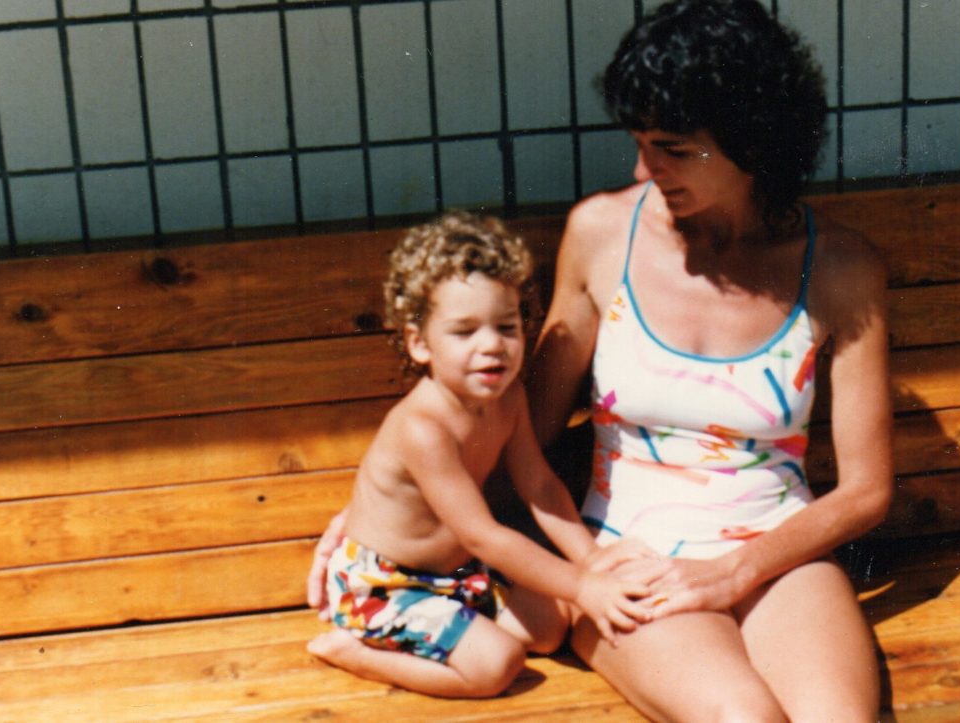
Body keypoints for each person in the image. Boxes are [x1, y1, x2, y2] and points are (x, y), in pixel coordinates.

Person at [311, 0, 893, 717]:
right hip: (623, 556)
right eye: (641, 141)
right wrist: (376, 527)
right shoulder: (602, 234)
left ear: (753, 140)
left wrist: (731, 572)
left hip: (777, 554)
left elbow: (866, 489)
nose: (645, 167)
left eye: (673, 149)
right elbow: (516, 414)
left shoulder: (840, 268)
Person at [306, 211, 655, 699]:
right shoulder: (423, 428)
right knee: (498, 665)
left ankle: (454, 633)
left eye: (506, 327)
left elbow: (539, 486)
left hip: (457, 575)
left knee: (551, 627)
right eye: (464, 331)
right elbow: (483, 535)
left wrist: (592, 561)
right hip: (385, 585)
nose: (492, 345)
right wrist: (582, 586)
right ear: (418, 343)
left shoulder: (507, 399)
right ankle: (357, 654)